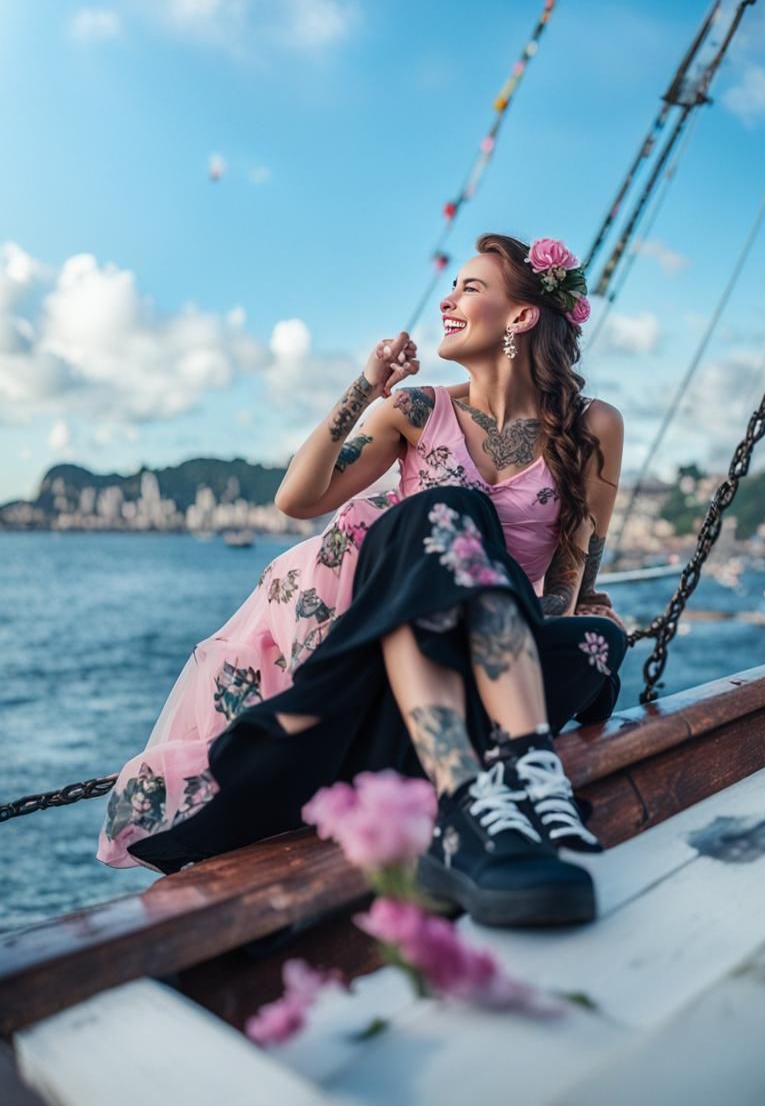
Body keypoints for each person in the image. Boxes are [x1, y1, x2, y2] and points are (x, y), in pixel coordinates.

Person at [97, 233, 626, 928]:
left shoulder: (593, 427)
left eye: (470, 287)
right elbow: (299, 497)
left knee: (596, 642)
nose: (448, 297)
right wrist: (365, 390)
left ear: (522, 317)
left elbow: (568, 576)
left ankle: (471, 770)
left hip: (499, 643)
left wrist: (536, 619)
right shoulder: (417, 411)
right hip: (391, 628)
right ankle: (496, 780)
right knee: (449, 509)